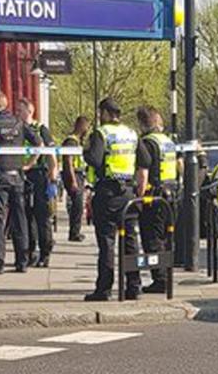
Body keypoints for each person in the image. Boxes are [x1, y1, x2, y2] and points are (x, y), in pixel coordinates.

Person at [83, 97, 145, 302]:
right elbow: (146, 160)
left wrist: (86, 151)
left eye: (101, 113)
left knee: (107, 243)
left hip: (108, 193)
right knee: (130, 242)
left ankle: (104, 289)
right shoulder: (131, 133)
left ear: (107, 114)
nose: (100, 117)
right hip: (128, 192)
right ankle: (134, 286)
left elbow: (94, 159)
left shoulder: (102, 133)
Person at [136, 106, 179, 294]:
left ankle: (160, 280)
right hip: (170, 195)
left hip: (153, 196)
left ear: (142, 123)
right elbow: (180, 165)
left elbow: (143, 172)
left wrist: (139, 195)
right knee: (164, 238)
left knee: (152, 240)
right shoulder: (167, 141)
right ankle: (165, 277)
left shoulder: (146, 142)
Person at [0, 90, 29, 273]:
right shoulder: (19, 123)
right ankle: (22, 261)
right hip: (17, 177)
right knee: (20, 218)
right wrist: (28, 164)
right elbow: (39, 144)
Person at [19, 98, 57, 268]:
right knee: (26, 215)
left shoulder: (41, 129)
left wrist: (53, 177)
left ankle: (45, 252)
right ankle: (30, 252)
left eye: (20, 110)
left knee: (42, 216)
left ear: (29, 111)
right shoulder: (18, 129)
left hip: (39, 175)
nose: (18, 113)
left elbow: (50, 153)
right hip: (23, 175)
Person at [62, 116, 91, 242]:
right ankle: (74, 233)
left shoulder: (78, 141)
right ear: (81, 126)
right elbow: (69, 162)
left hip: (78, 174)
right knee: (77, 205)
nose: (88, 130)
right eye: (87, 126)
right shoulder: (71, 141)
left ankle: (75, 232)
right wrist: (73, 180)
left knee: (78, 205)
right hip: (73, 174)